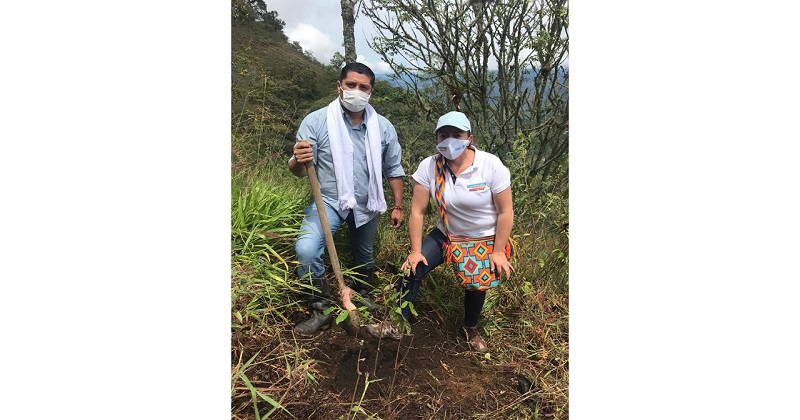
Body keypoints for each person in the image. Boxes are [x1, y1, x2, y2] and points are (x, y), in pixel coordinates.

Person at [366, 111, 514, 353]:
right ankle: (396, 323)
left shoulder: (490, 165)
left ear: (469, 138)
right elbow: (418, 211)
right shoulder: (430, 166)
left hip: (483, 237)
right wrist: (415, 251)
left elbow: (506, 211)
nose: (450, 140)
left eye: (457, 135)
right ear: (436, 138)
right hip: (446, 234)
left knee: (476, 285)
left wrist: (498, 251)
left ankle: (471, 329)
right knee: (411, 268)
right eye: (444, 135)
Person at [289, 62, 406, 336]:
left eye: (363, 87)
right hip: (328, 200)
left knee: (364, 253)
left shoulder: (383, 128)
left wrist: (398, 205)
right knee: (306, 250)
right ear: (339, 86)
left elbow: (393, 169)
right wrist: (298, 159)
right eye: (351, 85)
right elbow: (297, 170)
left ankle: (362, 293)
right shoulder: (316, 122)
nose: (357, 91)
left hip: (368, 202)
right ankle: (320, 308)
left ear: (371, 92)